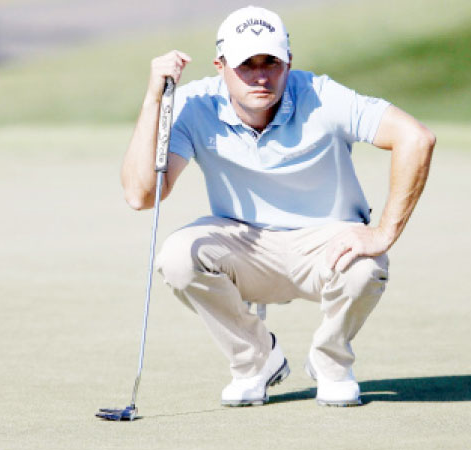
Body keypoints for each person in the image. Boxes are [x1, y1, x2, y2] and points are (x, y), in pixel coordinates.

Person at [121, 5, 435, 407]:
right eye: (246, 65)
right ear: (220, 66)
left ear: (289, 62)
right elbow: (141, 195)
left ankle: (330, 363)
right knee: (178, 256)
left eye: (271, 61)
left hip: (326, 243)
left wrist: (384, 232)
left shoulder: (322, 96)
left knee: (366, 267)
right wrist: (153, 101)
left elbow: (416, 138)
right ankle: (256, 361)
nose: (261, 76)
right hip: (243, 244)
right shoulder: (193, 104)